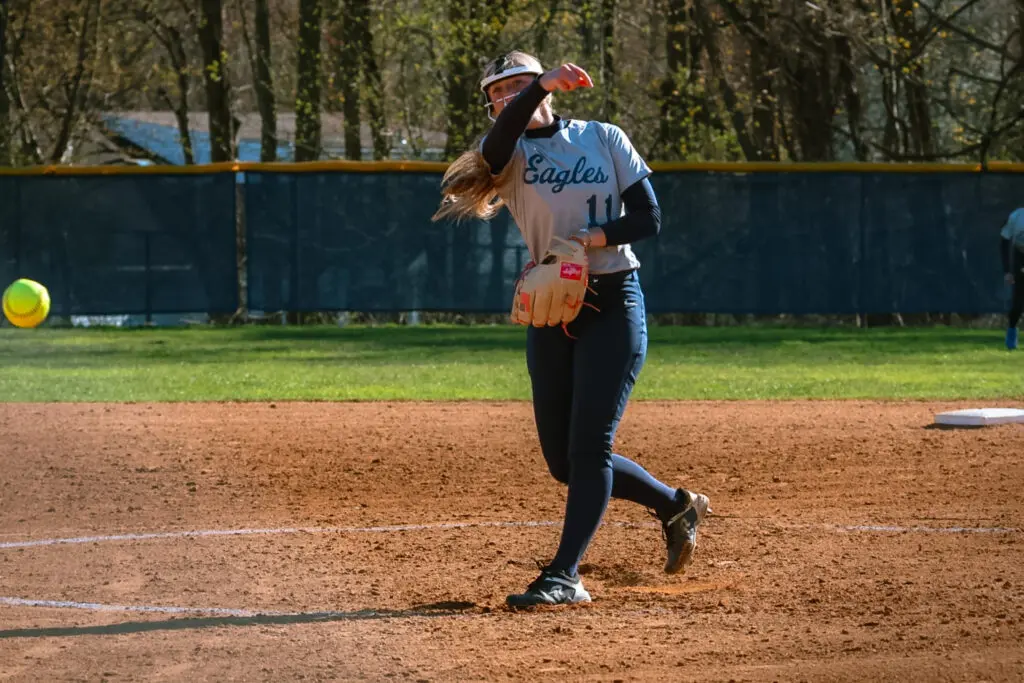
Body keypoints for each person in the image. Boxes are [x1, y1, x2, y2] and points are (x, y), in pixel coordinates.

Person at [432, 50, 711, 608]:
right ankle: (674, 504)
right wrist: (535, 88)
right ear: (490, 105)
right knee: (564, 462)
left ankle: (565, 575)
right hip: (553, 313)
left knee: (590, 447)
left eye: (521, 85)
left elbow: (648, 217)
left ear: (548, 90)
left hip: (613, 301)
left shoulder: (604, 137)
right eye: (500, 92)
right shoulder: (502, 159)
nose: (511, 96)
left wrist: (592, 237)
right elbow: (495, 143)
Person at [1000, 207, 1024, 350]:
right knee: (1019, 300)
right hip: (1020, 258)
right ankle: (1011, 331)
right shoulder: (1017, 216)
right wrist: (1008, 271)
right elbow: (1004, 242)